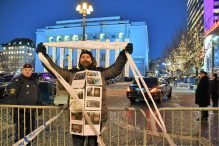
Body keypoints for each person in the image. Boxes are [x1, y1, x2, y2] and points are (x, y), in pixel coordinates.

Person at [36, 42, 133, 146]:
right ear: (79, 60)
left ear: (92, 60)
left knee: (93, 144)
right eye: (82, 57)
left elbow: (115, 69)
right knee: (78, 144)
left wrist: (123, 55)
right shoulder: (72, 73)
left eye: (87, 57)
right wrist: (44, 56)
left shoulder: (100, 73)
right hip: (77, 115)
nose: (85, 59)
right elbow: (55, 70)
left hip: (95, 116)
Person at [7, 64, 41, 145]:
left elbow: (38, 95)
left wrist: (39, 107)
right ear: (22, 70)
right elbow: (12, 97)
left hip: (31, 113)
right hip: (20, 113)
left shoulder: (34, 81)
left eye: (29, 70)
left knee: (31, 134)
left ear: (31, 71)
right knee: (20, 135)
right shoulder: (17, 81)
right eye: (25, 69)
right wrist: (15, 111)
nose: (27, 71)